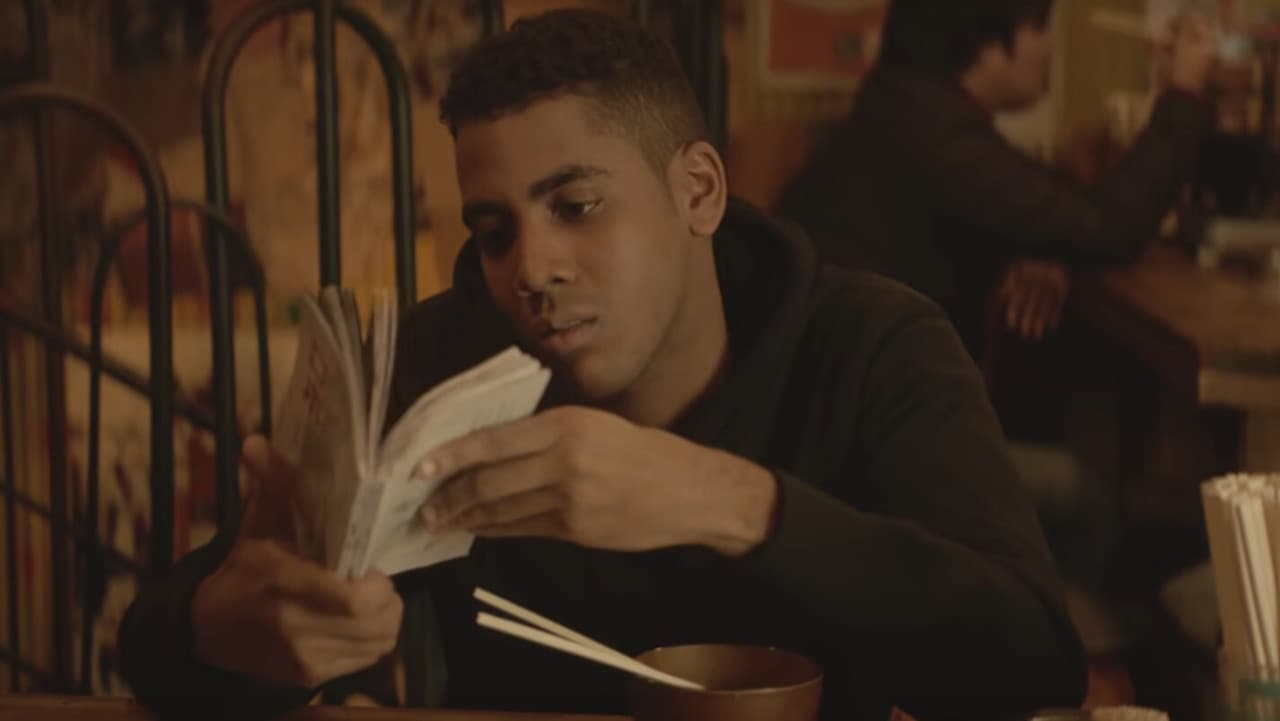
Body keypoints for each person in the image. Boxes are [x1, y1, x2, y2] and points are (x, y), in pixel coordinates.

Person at [118, 9, 1085, 721]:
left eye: (575, 206)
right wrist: (220, 628)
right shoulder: (443, 364)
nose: (531, 268)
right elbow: (163, 651)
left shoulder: (871, 345)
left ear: (698, 191)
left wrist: (730, 502)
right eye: (494, 231)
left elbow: (1033, 661)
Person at [778, 0, 1216, 362]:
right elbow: (1108, 226)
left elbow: (1045, 202)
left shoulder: (902, 107)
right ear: (986, 43)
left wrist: (1040, 240)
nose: (1049, 47)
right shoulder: (937, 138)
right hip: (863, 419)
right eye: (1039, 27)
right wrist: (1184, 90)